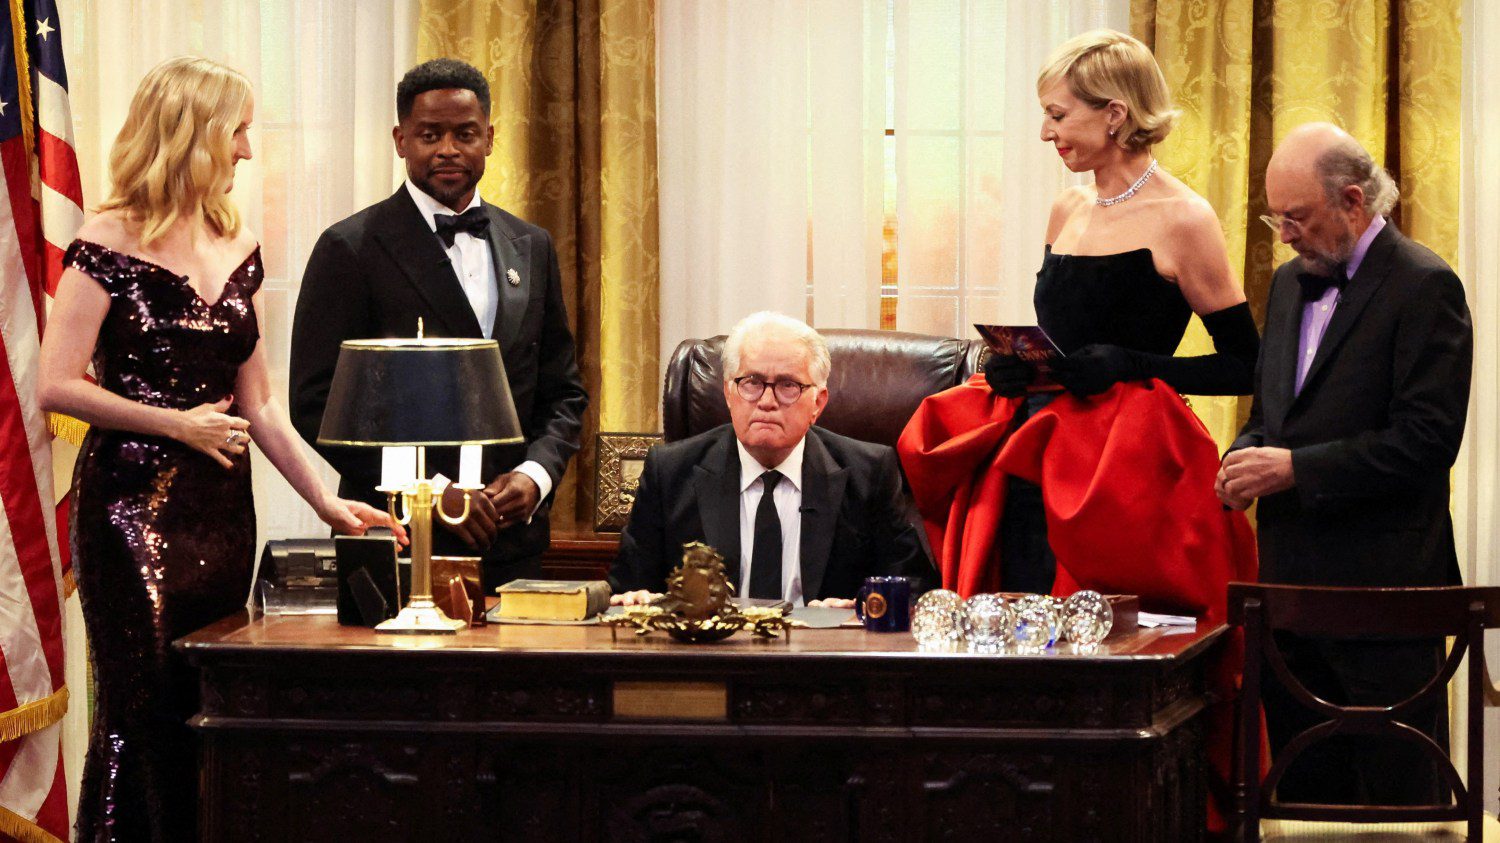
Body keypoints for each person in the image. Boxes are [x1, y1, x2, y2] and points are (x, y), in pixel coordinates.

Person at [37, 57, 401, 841]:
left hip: (221, 513)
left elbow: (260, 402)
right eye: (236, 130)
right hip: (132, 508)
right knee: (142, 708)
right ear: (193, 134)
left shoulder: (238, 241)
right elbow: (55, 384)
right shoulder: (104, 241)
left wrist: (328, 502)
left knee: (209, 705)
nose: (245, 149)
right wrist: (175, 423)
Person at [1218, 123, 1472, 806]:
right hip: (1289, 601)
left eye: (1295, 217)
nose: (1283, 233)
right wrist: (1242, 456)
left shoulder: (1425, 284)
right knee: (1298, 802)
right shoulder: (1288, 282)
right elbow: (1273, 416)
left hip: (1382, 603)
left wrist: (1296, 468)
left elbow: (1427, 440)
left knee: (1397, 804)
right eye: (1277, 217)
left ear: (1353, 202)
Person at [290, 58, 588, 588]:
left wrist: (534, 476)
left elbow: (562, 391)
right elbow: (315, 403)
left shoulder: (532, 245)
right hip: (395, 540)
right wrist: (426, 489)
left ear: (490, 139)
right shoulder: (349, 248)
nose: (448, 148)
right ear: (400, 140)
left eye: (464, 133)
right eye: (430, 134)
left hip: (511, 542)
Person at [609, 312, 934, 607]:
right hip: (712, 659)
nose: (766, 401)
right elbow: (629, 588)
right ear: (728, 392)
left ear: (818, 403)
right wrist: (635, 600)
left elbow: (915, 589)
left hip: (822, 661)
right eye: (751, 383)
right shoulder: (670, 473)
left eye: (788, 385)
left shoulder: (869, 473)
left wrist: (864, 609)